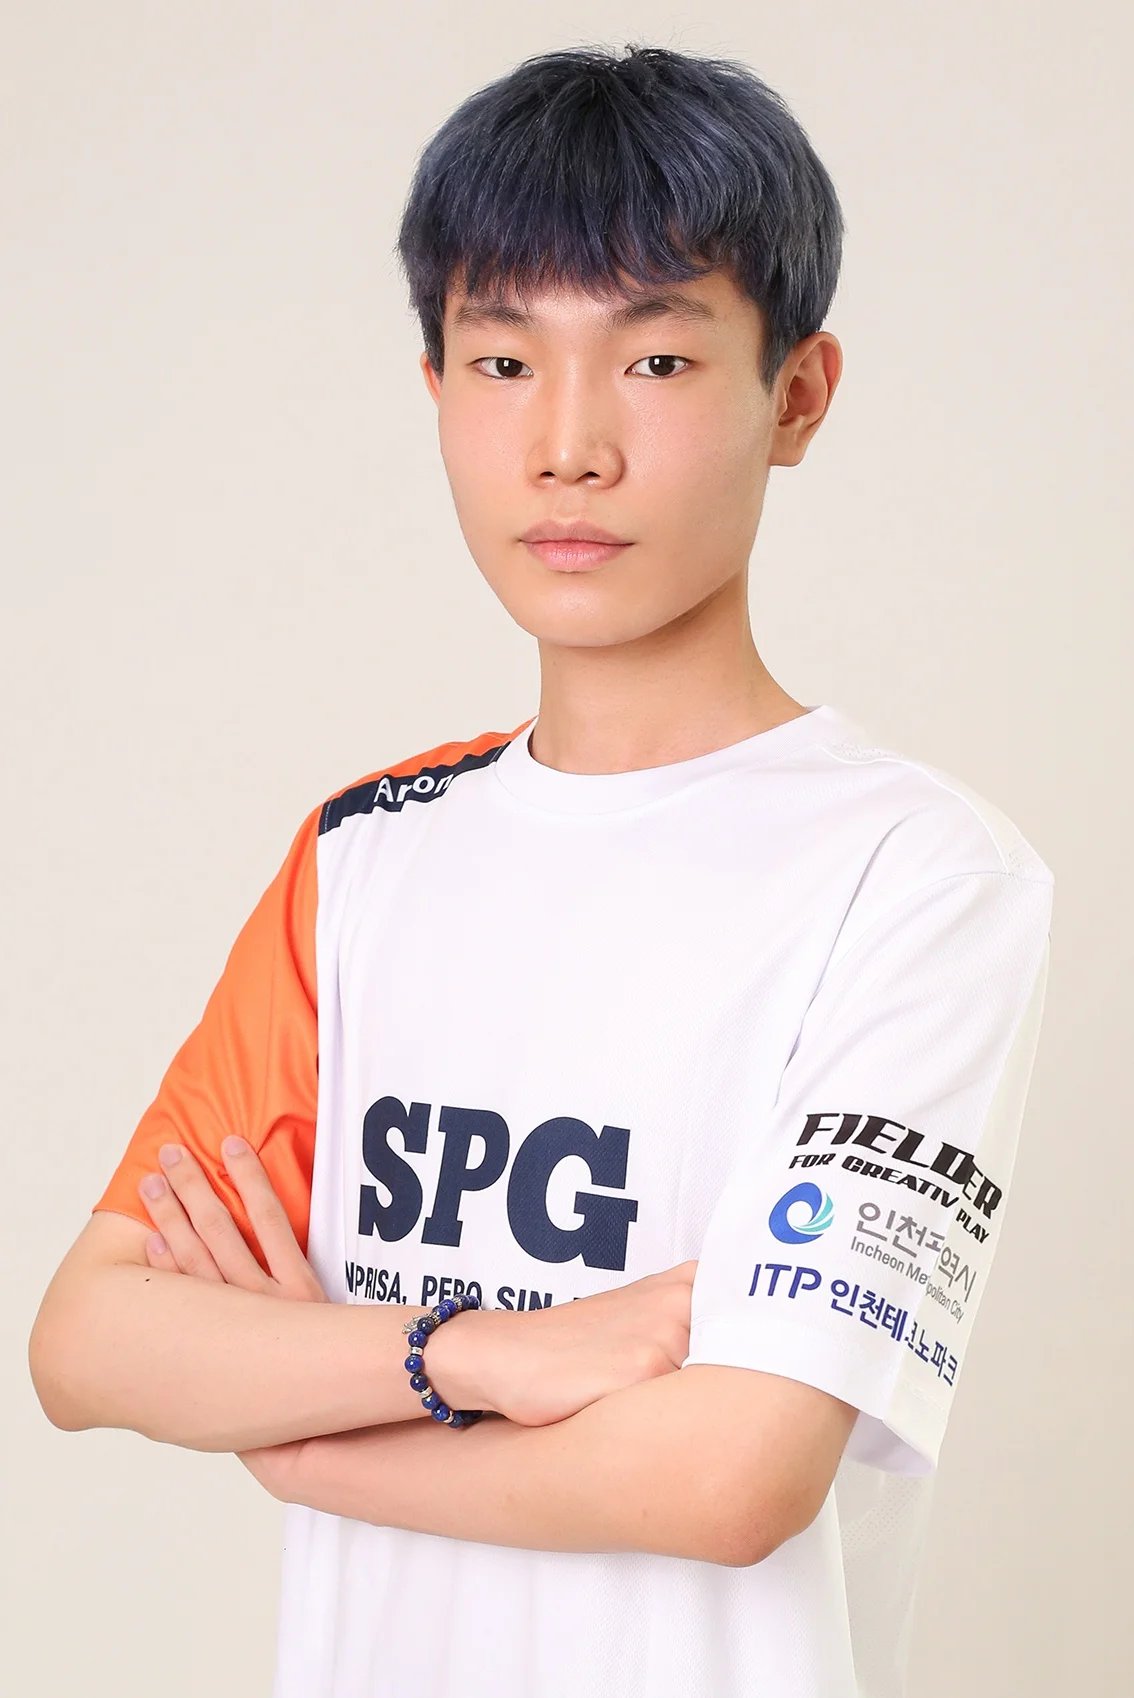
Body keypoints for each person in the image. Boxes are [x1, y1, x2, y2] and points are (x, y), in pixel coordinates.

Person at [28, 41, 1054, 1698]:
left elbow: (728, 1476)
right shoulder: (365, 853)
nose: (568, 445)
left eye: (655, 359)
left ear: (795, 395)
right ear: (433, 386)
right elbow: (88, 1340)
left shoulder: (914, 874)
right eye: (503, 360)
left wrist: (307, 1430)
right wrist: (485, 1353)